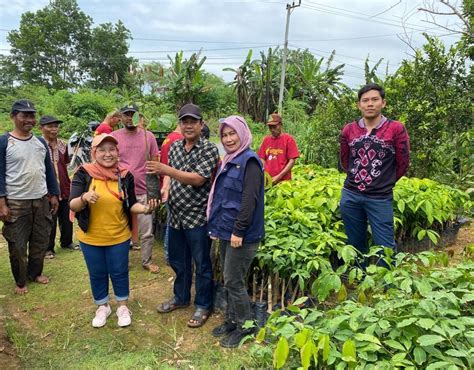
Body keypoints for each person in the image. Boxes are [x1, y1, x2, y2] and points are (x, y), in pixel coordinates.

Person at [69, 134, 156, 328]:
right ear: (94, 152)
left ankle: (122, 306)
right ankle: (102, 306)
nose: (107, 154)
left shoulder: (125, 176)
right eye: (102, 150)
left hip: (119, 236)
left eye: (112, 150)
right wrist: (84, 197)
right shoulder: (84, 173)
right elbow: (73, 205)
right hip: (91, 237)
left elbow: (131, 204)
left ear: (118, 152)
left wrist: (145, 209)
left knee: (119, 271)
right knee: (97, 272)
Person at [146, 103, 219, 328]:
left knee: (202, 262)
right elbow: (170, 176)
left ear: (201, 124)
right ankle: (181, 298)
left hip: (197, 216)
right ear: (180, 124)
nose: (188, 125)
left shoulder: (209, 149)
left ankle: (203, 304)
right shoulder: (176, 147)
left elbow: (199, 179)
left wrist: (166, 171)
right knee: (178, 260)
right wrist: (165, 185)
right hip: (175, 214)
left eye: (193, 121)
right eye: (185, 121)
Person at [207, 115, 264, 348]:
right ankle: (232, 320)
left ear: (243, 134)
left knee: (234, 280)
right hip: (226, 231)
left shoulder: (249, 161)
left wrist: (238, 231)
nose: (228, 139)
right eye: (224, 134)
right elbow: (223, 198)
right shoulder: (229, 159)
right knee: (229, 278)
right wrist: (217, 227)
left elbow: (249, 201)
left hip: (242, 234)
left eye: (233, 134)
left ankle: (245, 326)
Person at [339, 83, 410, 267]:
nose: (370, 104)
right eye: (365, 100)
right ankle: (359, 280)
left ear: (383, 103)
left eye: (374, 100)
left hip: (380, 197)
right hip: (351, 195)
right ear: (359, 105)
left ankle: (385, 288)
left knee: (385, 245)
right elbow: (345, 160)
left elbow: (403, 163)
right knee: (355, 242)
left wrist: (384, 182)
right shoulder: (349, 130)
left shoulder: (396, 129)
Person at [0, 100, 59, 295]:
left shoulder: (40, 142)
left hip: (40, 199)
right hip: (16, 202)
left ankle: (36, 273)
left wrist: (54, 194)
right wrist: (2, 202)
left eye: (32, 115)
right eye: (24, 115)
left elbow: (48, 171)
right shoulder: (4, 142)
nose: (29, 119)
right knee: (17, 244)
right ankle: (21, 280)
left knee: (40, 240)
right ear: (13, 116)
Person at [111, 104, 160, 273]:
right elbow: (107, 160)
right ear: (120, 117)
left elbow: (155, 163)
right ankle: (121, 262)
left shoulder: (149, 137)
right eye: (126, 114)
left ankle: (146, 260)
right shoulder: (114, 137)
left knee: (147, 231)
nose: (129, 117)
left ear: (139, 116)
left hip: (143, 190)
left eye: (133, 114)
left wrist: (154, 192)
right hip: (121, 192)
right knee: (121, 229)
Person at [40, 115, 78, 259]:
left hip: (64, 187)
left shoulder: (63, 145)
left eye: (56, 126)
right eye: (50, 126)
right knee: (49, 219)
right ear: (41, 128)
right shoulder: (39, 145)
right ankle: (47, 248)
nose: (54, 129)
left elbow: (66, 165)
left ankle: (67, 242)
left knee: (67, 217)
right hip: (47, 189)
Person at [159, 123, 184, 264]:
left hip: (166, 182)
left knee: (172, 221)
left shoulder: (169, 138)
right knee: (173, 223)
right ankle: (170, 255)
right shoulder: (178, 140)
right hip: (172, 185)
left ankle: (169, 253)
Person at [257, 113, 299, 184]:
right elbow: (262, 158)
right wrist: (264, 173)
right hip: (268, 180)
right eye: (270, 127)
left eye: (274, 127)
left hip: (284, 182)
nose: (272, 130)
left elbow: (292, 161)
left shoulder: (289, 139)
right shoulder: (266, 140)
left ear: (280, 125)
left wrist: (279, 176)